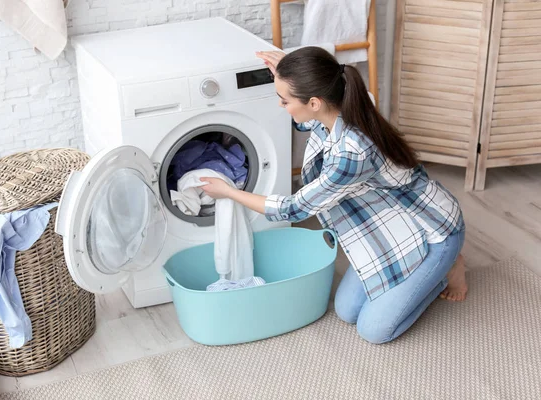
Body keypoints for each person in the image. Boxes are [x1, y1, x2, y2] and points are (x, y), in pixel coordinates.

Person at [200, 46, 467, 344]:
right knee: (346, 310)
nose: (280, 105)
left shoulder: (351, 155)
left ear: (314, 101)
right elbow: (305, 120)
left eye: (284, 99)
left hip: (431, 230)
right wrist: (288, 76)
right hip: (385, 228)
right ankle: (432, 270)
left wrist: (229, 192)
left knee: (374, 331)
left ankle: (449, 266)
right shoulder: (345, 103)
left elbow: (292, 209)